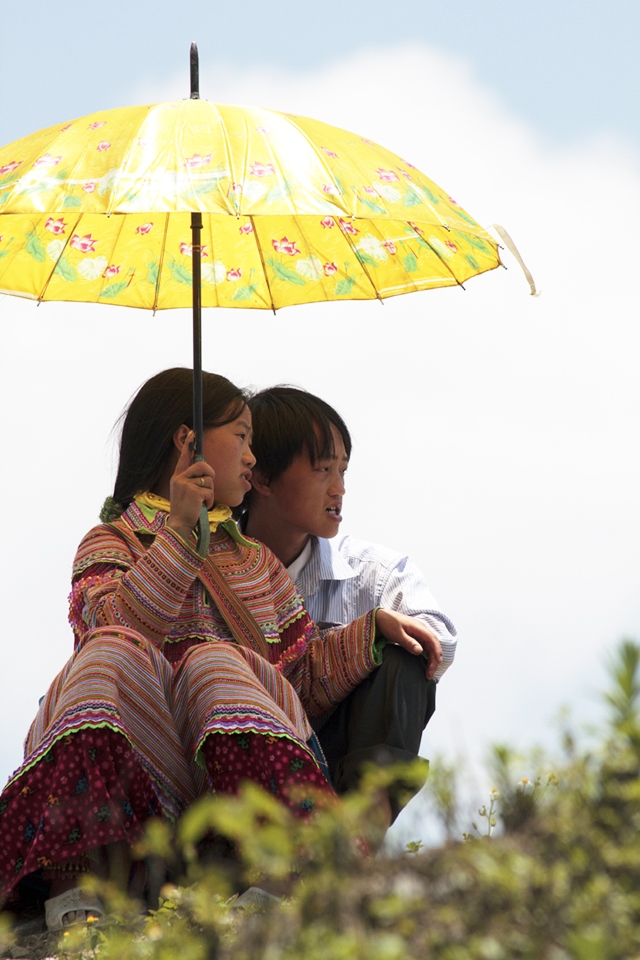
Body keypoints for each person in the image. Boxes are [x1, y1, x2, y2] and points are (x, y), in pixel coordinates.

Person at [0, 368, 441, 927]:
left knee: (214, 661)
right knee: (111, 652)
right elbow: (110, 632)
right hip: (154, 784)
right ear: (188, 442)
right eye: (241, 437)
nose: (252, 459)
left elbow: (302, 677)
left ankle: (282, 868)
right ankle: (79, 880)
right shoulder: (110, 543)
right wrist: (180, 535)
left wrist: (369, 628)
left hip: (223, 797)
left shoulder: (255, 561)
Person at [244, 386, 458, 834]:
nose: (339, 489)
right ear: (261, 478)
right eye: (323, 470)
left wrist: (363, 639)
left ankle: (357, 845)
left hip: (335, 756)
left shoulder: (371, 572)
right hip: (241, 760)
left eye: (342, 470)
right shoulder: (208, 566)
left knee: (404, 654)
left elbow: (439, 641)